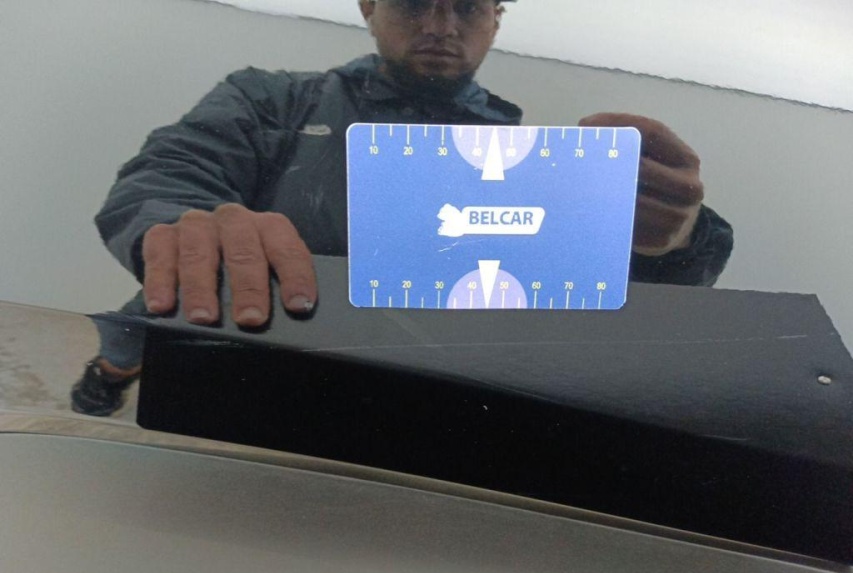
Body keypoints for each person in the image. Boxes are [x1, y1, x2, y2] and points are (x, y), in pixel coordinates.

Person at [71, 0, 733, 416]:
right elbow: (168, 175)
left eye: (466, 7)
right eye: (414, 3)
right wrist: (183, 221)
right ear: (368, 5)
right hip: (236, 363)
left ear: (496, 18)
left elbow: (591, 306)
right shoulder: (270, 100)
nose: (440, 26)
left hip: (412, 398)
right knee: (132, 342)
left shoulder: (524, 159)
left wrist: (673, 243)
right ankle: (110, 371)